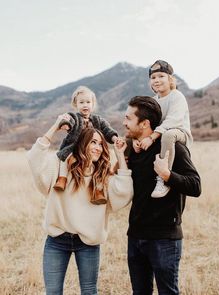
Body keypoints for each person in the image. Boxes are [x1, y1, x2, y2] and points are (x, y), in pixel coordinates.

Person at [27, 114, 133, 295]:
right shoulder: (61, 168)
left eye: (100, 143)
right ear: (82, 143)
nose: (98, 147)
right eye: (93, 142)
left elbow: (124, 192)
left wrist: (119, 155)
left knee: (89, 291)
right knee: (52, 291)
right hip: (57, 240)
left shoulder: (102, 177)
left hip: (88, 242)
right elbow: (35, 159)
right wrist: (55, 126)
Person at [123, 95, 201, 295]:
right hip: (136, 235)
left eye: (128, 118)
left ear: (145, 123)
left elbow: (195, 186)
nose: (124, 123)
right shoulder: (132, 149)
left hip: (164, 238)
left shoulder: (171, 148)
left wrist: (167, 175)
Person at [134, 60, 193, 198]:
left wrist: (151, 137)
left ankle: (163, 179)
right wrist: (138, 138)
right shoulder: (153, 101)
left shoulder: (177, 96)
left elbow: (173, 120)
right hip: (162, 132)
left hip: (179, 132)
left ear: (170, 79)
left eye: (161, 76)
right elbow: (148, 123)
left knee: (168, 135)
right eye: (153, 78)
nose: (157, 80)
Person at [54, 85, 120, 205]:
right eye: (81, 102)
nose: (85, 105)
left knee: (102, 165)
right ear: (76, 104)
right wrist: (66, 124)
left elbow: (107, 130)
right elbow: (69, 121)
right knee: (65, 158)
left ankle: (98, 190)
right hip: (74, 148)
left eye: (88, 102)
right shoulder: (75, 117)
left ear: (93, 104)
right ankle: (62, 178)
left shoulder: (98, 120)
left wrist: (115, 138)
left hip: (91, 150)